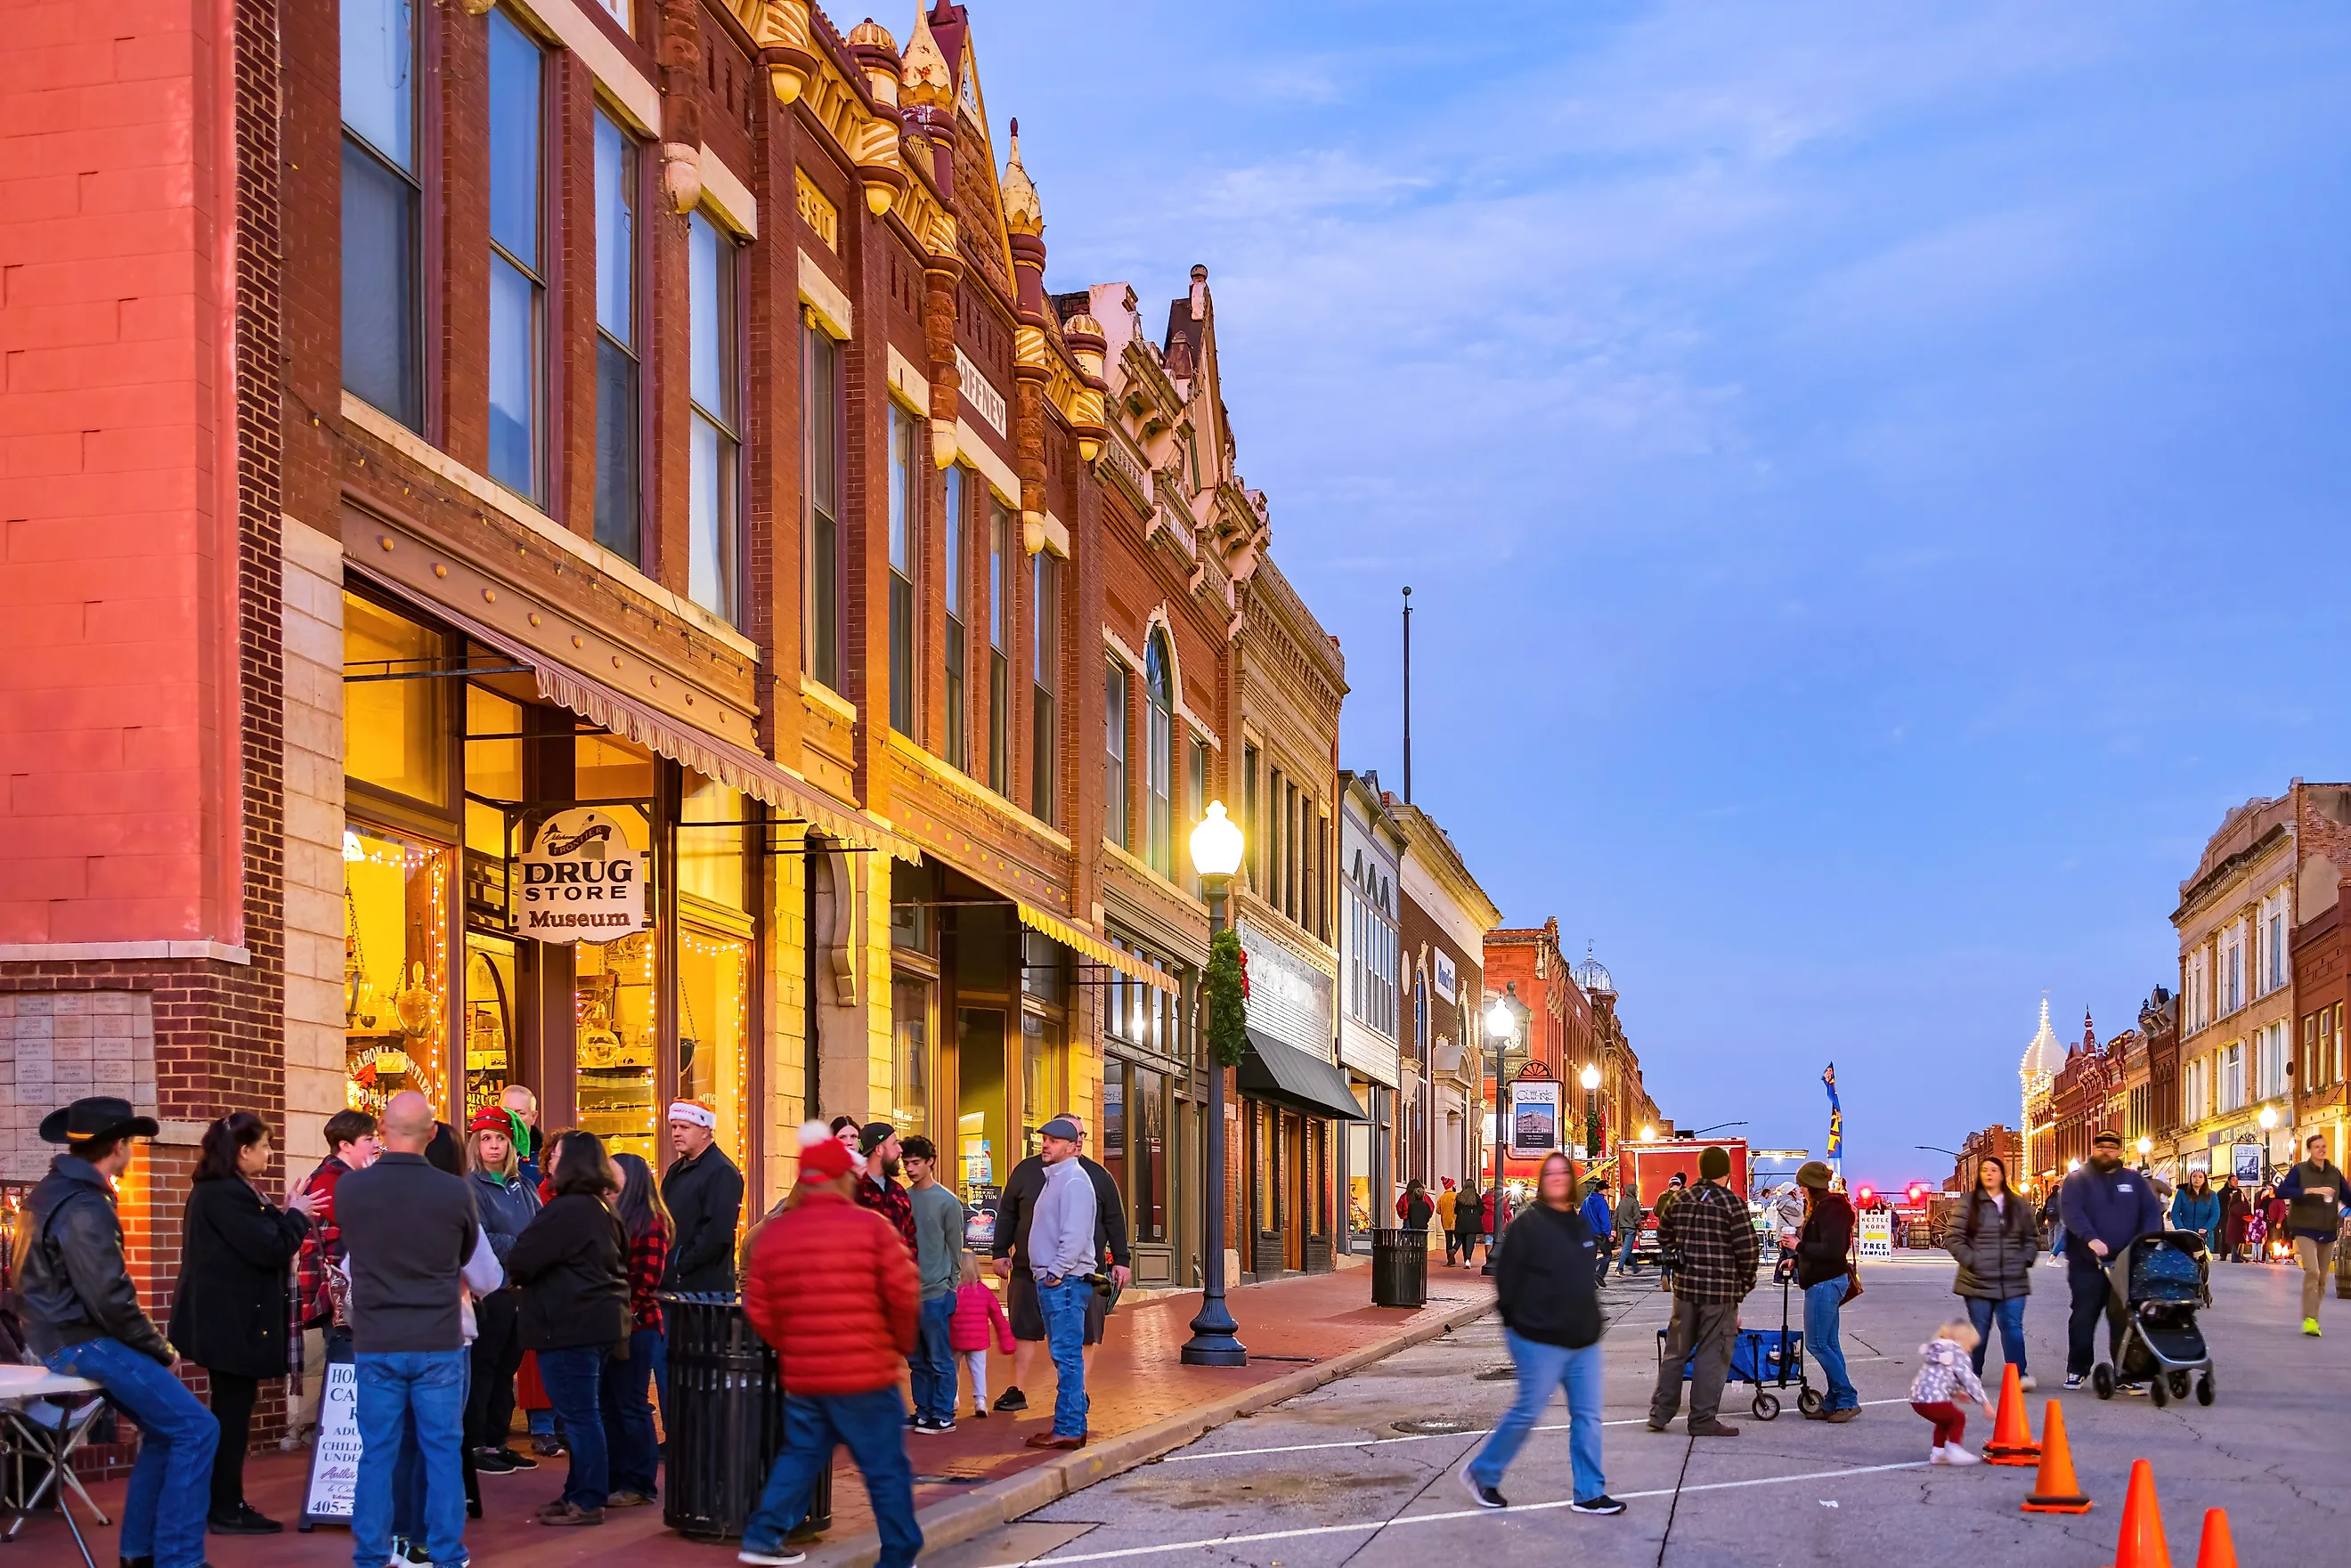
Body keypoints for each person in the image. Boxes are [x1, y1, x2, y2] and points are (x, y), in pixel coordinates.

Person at [21, 1097, 218, 1568]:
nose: (133, 1152)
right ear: (118, 1145)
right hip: (81, 1339)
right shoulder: (85, 1204)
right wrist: (158, 1347)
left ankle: (140, 1553)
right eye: (131, 1142)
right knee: (197, 1427)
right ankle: (179, 1559)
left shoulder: (50, 1193)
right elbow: (110, 1298)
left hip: (60, 1336)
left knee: (166, 1430)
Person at [737, 1123, 922, 1568]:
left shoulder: (773, 1235)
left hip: (805, 1375)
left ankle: (762, 1536)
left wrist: (793, 1345)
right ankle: (898, 1554)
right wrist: (897, 1346)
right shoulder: (872, 1228)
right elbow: (903, 1294)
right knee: (884, 1468)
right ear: (845, 1178)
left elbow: (758, 1305)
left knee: (800, 1455)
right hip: (865, 1373)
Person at [338, 1091, 482, 1568]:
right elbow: (464, 1257)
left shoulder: (352, 1189)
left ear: (380, 1130)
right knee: (442, 1453)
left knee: (377, 1454)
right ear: (434, 1132)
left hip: (378, 1338)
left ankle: (371, 1554)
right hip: (437, 1338)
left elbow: (354, 1249)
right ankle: (446, 1554)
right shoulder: (455, 1191)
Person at [168, 1111, 316, 1536]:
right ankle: (225, 1507)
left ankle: (224, 1501)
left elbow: (260, 1234)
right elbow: (268, 1247)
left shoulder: (227, 1191)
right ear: (243, 1151)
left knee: (233, 1414)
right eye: (265, 1146)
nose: (270, 1153)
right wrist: (297, 1216)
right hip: (229, 1324)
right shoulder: (223, 1194)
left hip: (228, 1321)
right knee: (231, 1418)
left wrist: (286, 1210)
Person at [1460, 1152, 1622, 1515]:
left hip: (1581, 1338)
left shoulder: (1578, 1225)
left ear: (1572, 1180)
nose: (1557, 1178)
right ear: (1542, 1180)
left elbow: (1581, 1278)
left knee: (1588, 1415)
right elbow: (1506, 1280)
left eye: (1563, 1172)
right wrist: (1519, 1322)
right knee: (1528, 1410)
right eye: (1550, 1173)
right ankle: (1482, 1473)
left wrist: (1592, 1319)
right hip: (1539, 1338)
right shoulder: (1528, 1224)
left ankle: (1589, 1493)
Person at [509, 1130, 628, 1526]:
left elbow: (523, 1257)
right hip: (593, 1325)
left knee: (580, 1417)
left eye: (557, 1155)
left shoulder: (569, 1209)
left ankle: (588, 1499)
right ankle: (576, 1493)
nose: (550, 1161)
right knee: (583, 1415)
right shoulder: (600, 1207)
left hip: (567, 1325)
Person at [988, 1114, 1130, 1409]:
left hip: (1075, 1275)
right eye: (1048, 1138)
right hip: (1029, 1271)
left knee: (1080, 1337)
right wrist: (1000, 1251)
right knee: (1025, 1328)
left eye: (1075, 1136)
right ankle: (1019, 1390)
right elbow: (1008, 1213)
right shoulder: (1031, 1172)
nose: (1076, 1141)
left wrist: (1121, 1259)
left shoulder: (1090, 1177)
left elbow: (1109, 1221)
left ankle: (1076, 1397)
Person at [1646, 1146, 1757, 1436]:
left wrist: (1679, 1258)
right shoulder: (1732, 1203)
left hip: (1684, 1291)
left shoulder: (1681, 1198)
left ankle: (1660, 1413)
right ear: (1726, 1173)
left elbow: (1663, 1235)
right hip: (1719, 1293)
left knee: (1675, 1351)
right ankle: (1702, 1419)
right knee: (1712, 1353)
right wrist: (1744, 1286)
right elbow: (1748, 1250)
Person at [460, 1104, 541, 1473]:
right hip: (491, 1292)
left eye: (501, 1139)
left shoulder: (523, 1185)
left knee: (508, 1368)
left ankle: (497, 1439)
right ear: (476, 1144)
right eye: (486, 1139)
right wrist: (522, 1246)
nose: (493, 1146)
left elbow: (543, 1228)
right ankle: (477, 1444)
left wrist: (529, 1247)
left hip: (523, 1290)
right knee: (484, 1368)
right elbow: (479, 1238)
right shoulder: (471, 1186)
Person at [295, 1109, 380, 1440]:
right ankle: (339, 1445)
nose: (376, 1145)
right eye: (369, 1139)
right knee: (346, 1371)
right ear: (345, 1145)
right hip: (341, 1296)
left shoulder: (348, 1178)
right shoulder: (333, 1181)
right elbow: (367, 1225)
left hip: (352, 1293)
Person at [2056, 1128, 2163, 1389]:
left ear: (2119, 1151)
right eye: (2101, 1147)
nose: (2106, 1151)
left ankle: (2126, 1371)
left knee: (2125, 1319)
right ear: (2094, 1149)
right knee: (2084, 1316)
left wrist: (2144, 1242)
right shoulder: (2077, 1180)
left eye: (2112, 1148)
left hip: (2126, 1263)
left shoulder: (2134, 1181)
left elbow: (2150, 1212)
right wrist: (2090, 1238)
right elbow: (2071, 1212)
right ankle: (2078, 1368)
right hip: (2087, 1264)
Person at [1022, 1116, 1098, 1451]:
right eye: (1045, 1139)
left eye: (1053, 1140)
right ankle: (1073, 1425)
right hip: (1057, 1279)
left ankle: (1067, 1428)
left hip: (1065, 1281)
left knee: (1067, 1357)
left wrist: (1056, 1271)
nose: (1046, 1144)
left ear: (1071, 1146)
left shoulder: (1074, 1181)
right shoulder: (1056, 1179)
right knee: (1064, 1357)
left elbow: (1075, 1235)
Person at [602, 1152, 669, 1507]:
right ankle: (616, 1475)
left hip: (639, 1326)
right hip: (615, 1323)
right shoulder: (611, 1216)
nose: (606, 1182)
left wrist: (622, 1310)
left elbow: (646, 1281)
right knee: (610, 1404)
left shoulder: (650, 1222)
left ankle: (640, 1482)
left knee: (630, 1402)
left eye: (613, 1175)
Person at [1946, 1155, 2038, 1389]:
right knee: (1979, 1330)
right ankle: (1972, 1374)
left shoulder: (2017, 1204)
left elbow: (2031, 1237)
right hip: (1978, 1279)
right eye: (1984, 1170)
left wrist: (2025, 1258)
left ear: (2002, 1175)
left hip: (2013, 1279)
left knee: (2013, 1327)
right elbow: (1954, 1237)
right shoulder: (1969, 1203)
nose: (1988, 1173)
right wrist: (1972, 1260)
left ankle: (2019, 1374)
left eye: (1994, 1170)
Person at [902, 1134, 967, 1432]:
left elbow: (955, 1247)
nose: (910, 1168)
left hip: (935, 1291)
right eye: (906, 1162)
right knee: (916, 1359)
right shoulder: (904, 1197)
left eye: (916, 1162)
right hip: (907, 1293)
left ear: (930, 1162)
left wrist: (951, 1284)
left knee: (939, 1357)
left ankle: (943, 1412)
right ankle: (924, 1409)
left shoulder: (948, 1202)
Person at [1791, 1160, 1860, 1420]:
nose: (1800, 1191)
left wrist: (1798, 1246)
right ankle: (1834, 1400)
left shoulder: (1830, 1211)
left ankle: (1847, 1397)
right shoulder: (1825, 1208)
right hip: (1826, 1280)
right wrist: (1796, 1259)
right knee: (1829, 1343)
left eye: (1802, 1186)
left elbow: (1831, 1251)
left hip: (1825, 1282)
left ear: (1810, 1187)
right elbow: (1820, 1246)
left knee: (1817, 1344)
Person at [663, 1100, 747, 1292]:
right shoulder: (675, 1171)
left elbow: (717, 1234)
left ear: (705, 1131)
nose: (676, 1133)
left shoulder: (722, 1172)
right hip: (674, 1285)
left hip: (704, 1291)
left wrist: (680, 1266)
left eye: (684, 1127)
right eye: (674, 1126)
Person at [2274, 1133, 2350, 1335]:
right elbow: (2281, 1192)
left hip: (2328, 1229)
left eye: (2324, 1146)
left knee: (2323, 1278)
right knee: (2313, 1272)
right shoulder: (2299, 1171)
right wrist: (2312, 1191)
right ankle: (2309, 1319)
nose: (2322, 1150)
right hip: (2304, 1228)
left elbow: (2348, 1196)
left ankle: (2313, 1319)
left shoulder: (2334, 1173)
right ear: (2310, 1150)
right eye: (2317, 1147)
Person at [1908, 1319, 1997, 1466]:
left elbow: (1942, 1377)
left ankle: (1938, 1453)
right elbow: (1969, 1379)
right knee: (1958, 1418)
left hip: (1917, 1399)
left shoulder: (1937, 1350)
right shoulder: (1957, 1352)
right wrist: (1984, 1402)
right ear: (1961, 1341)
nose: (1969, 1351)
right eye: (1970, 1346)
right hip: (1933, 1399)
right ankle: (1954, 1449)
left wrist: (1955, 1393)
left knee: (1944, 1421)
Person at [949, 1251, 1014, 1420]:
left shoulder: (952, 1291)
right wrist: (1007, 1342)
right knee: (978, 1371)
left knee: (951, 1369)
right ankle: (980, 1401)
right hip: (978, 1341)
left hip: (954, 1340)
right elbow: (998, 1318)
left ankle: (952, 1399)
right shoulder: (984, 1291)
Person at [855, 1122, 919, 1259]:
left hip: (898, 1277)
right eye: (895, 1143)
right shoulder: (854, 1190)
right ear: (879, 1150)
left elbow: (911, 1239)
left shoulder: (899, 1192)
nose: (900, 1150)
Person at [2168, 1168, 2223, 1255]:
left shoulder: (2212, 1195)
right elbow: (2175, 1213)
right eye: (2194, 1176)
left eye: (2200, 1177)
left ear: (2204, 1180)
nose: (2197, 1179)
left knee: (2202, 1261)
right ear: (2190, 1178)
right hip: (2185, 1233)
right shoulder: (2182, 1193)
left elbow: (2215, 1215)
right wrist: (2180, 1228)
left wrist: (2206, 1228)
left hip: (2204, 1235)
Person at [500, 1085, 543, 1184]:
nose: (512, 1118)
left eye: (520, 1113)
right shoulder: (485, 1150)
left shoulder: (547, 1154)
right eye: (507, 1111)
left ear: (533, 1117)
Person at [1653, 1172, 1689, 1290]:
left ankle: (1665, 1276)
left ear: (1670, 1185)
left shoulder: (1662, 1196)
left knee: (1666, 1254)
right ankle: (1676, 1281)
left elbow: (1656, 1212)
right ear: (1679, 1185)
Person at [1580, 1178, 1615, 1280]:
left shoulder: (1586, 1201)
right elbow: (1604, 1220)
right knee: (1607, 1255)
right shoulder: (1601, 1202)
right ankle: (1600, 1274)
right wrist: (1608, 1234)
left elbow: (1581, 1216)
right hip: (1600, 1234)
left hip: (1588, 1234)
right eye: (1606, 1189)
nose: (1608, 1191)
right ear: (1600, 1190)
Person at [1612, 1180, 1644, 1277]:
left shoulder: (1621, 1202)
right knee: (1626, 1249)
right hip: (1631, 1229)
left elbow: (1615, 1216)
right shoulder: (1634, 1202)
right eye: (1637, 1191)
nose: (1637, 1193)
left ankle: (1635, 1268)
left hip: (1623, 1229)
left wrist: (1614, 1228)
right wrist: (1639, 1229)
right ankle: (1619, 1269)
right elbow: (1637, 1217)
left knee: (1628, 1249)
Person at [2220, 1177, 2250, 1262]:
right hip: (2225, 1217)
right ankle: (2224, 1254)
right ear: (2229, 1181)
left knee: (2240, 1236)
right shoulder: (2223, 1192)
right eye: (2234, 1180)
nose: (2236, 1182)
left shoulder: (2239, 1191)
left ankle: (2239, 1254)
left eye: (2237, 1180)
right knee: (2226, 1236)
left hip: (2238, 1219)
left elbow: (2244, 1203)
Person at [1455, 1182, 1485, 1269]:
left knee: (1464, 1241)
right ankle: (1468, 1260)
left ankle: (1465, 1259)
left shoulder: (1459, 1196)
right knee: (1470, 1242)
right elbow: (1481, 1210)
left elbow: (1456, 1210)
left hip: (1461, 1220)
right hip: (1473, 1221)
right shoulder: (1476, 1197)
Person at [1437, 1178, 1460, 1265]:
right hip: (1455, 1221)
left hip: (1445, 1222)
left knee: (1448, 1240)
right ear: (1451, 1186)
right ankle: (1453, 1250)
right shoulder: (1456, 1196)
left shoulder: (1441, 1198)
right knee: (1459, 1238)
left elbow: (1438, 1211)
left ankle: (1449, 1259)